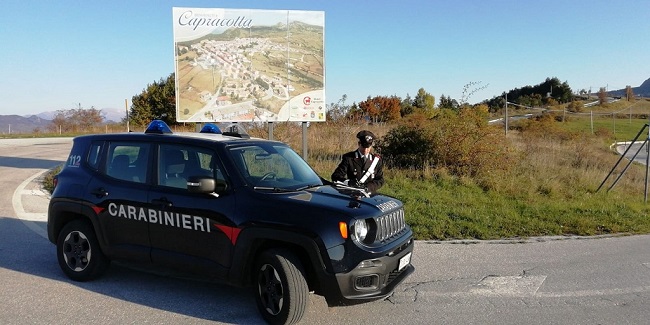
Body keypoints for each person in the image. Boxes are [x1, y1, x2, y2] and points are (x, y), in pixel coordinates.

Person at [331, 130, 384, 194]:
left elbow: (380, 180)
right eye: (363, 147)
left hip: (369, 195)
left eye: (368, 147)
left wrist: (369, 187)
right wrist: (348, 182)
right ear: (359, 144)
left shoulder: (376, 160)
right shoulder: (349, 158)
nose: (365, 150)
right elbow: (335, 176)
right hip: (353, 194)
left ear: (371, 146)